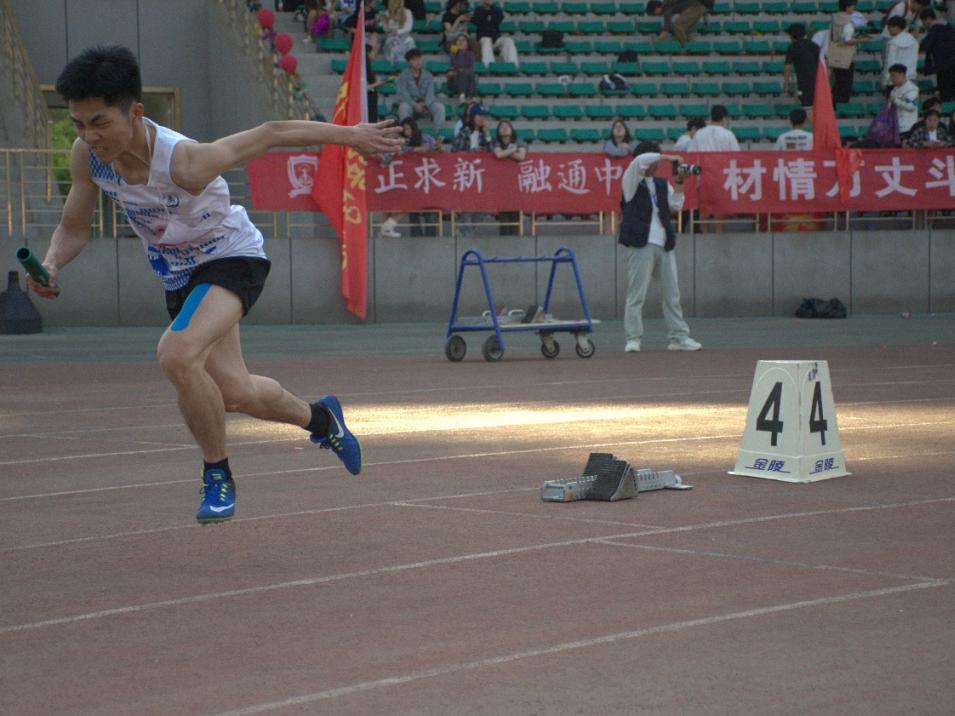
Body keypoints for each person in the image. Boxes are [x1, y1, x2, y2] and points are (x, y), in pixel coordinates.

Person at [35, 46, 403, 523]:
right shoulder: (90, 159)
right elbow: (74, 227)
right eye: (79, 124)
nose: (89, 136)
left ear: (136, 113)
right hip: (180, 276)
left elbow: (271, 133)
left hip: (231, 258)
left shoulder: (184, 161)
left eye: (99, 122)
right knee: (235, 393)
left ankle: (217, 474)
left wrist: (351, 136)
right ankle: (322, 418)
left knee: (177, 353)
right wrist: (51, 263)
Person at [618, 142, 701, 354]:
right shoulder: (631, 181)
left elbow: (676, 205)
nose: (657, 165)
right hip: (641, 243)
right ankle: (633, 339)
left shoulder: (661, 184)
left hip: (664, 243)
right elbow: (639, 161)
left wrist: (680, 181)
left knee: (672, 295)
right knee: (636, 295)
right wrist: (667, 157)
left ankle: (679, 337)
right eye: (655, 160)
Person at [379, 117, 440, 237]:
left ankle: (387, 228)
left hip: (406, 178)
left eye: (396, 130)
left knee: (409, 204)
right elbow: (385, 159)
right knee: (388, 207)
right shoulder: (388, 142)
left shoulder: (404, 141)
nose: (405, 132)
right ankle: (385, 230)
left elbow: (428, 148)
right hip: (389, 178)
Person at [395, 48, 446, 130]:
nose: (418, 61)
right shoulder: (403, 76)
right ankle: (406, 132)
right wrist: (415, 105)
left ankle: (438, 132)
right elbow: (404, 95)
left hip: (425, 105)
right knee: (403, 107)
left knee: (440, 107)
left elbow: (430, 95)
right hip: (410, 104)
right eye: (414, 59)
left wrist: (425, 104)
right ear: (409, 62)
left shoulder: (428, 75)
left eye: (419, 58)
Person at [827, 0, 866, 105]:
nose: (854, 8)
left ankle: (832, 103)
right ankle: (841, 105)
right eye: (853, 6)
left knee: (838, 81)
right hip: (846, 55)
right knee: (846, 83)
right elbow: (847, 40)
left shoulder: (834, 17)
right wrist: (861, 40)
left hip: (835, 51)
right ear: (847, 7)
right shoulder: (848, 20)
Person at [492, 120, 527, 235]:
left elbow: (521, 156)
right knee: (504, 213)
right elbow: (498, 154)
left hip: (517, 182)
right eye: (501, 127)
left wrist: (506, 152)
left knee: (515, 213)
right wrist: (512, 150)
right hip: (501, 183)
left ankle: (516, 237)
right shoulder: (496, 142)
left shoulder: (519, 141)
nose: (504, 128)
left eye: (507, 126)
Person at [471, 0, 519, 68]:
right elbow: (476, 21)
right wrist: (487, 12)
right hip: (483, 40)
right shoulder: (478, 10)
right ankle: (489, 66)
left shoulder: (497, 10)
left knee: (509, 41)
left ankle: (513, 66)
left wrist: (491, 9)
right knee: (487, 40)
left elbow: (499, 19)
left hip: (496, 39)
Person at [920, 9, 955, 102]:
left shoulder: (935, 28)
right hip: (951, 61)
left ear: (928, 19)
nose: (924, 25)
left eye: (923, 22)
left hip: (944, 64)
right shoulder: (949, 26)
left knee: (945, 91)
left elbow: (926, 44)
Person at [646, 0, 714, 47]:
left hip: (699, 5)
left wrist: (656, 43)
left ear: (656, 8)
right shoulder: (666, 4)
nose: (656, 15)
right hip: (702, 5)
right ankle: (692, 47)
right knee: (685, 29)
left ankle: (683, 48)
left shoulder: (666, 9)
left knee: (677, 26)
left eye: (654, 14)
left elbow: (666, 31)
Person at [784, 23, 820, 108]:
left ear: (792, 36)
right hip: (817, 80)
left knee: (806, 106)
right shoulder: (815, 46)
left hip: (803, 83)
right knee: (813, 104)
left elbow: (787, 67)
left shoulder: (793, 47)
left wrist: (786, 85)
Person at [882, 16, 919, 91]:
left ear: (896, 27)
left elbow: (890, 63)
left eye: (889, 27)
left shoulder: (893, 43)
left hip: (895, 80)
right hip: (911, 76)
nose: (888, 30)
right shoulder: (914, 41)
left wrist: (886, 81)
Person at [888, 62, 920, 136]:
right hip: (895, 127)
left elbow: (912, 106)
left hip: (908, 128)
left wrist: (896, 100)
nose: (892, 79)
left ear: (902, 74)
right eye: (891, 76)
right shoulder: (894, 90)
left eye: (893, 76)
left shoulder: (912, 89)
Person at [380, 0, 416, 65]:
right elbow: (386, 30)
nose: (395, 4)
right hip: (392, 38)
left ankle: (409, 64)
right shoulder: (386, 13)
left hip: (405, 38)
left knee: (410, 42)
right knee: (394, 44)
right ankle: (396, 64)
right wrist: (385, 22)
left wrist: (397, 31)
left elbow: (408, 28)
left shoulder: (407, 12)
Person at [447, 32, 477, 99]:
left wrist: (462, 70)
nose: (461, 42)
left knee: (469, 73)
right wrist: (459, 51)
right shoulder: (453, 52)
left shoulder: (471, 54)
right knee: (462, 72)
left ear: (467, 43)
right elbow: (456, 66)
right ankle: (466, 95)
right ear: (456, 42)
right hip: (455, 80)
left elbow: (471, 68)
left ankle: (470, 96)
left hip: (467, 80)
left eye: (463, 40)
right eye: (459, 40)